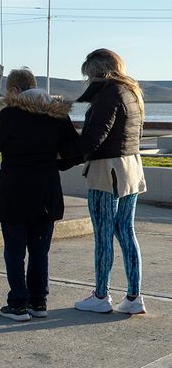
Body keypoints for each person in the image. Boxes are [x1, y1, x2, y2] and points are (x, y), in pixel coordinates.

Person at [0, 68, 80, 322]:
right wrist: (52, 163)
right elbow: (75, 151)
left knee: (14, 250)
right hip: (47, 192)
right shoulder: (57, 116)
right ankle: (39, 302)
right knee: (39, 250)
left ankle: (17, 304)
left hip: (15, 191)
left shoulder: (11, 114)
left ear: (14, 91)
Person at [67, 49, 147, 314]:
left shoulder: (107, 94)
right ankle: (134, 298)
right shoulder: (131, 92)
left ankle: (101, 295)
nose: (87, 79)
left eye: (88, 73)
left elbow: (95, 137)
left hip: (106, 171)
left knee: (103, 235)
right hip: (131, 168)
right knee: (126, 232)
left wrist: (65, 154)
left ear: (97, 71)